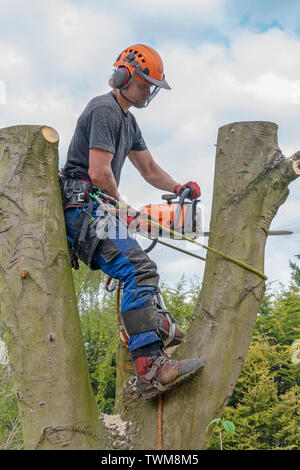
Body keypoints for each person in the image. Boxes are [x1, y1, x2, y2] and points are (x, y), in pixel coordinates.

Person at [60, 44, 204, 399]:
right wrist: (122, 209)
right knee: (139, 270)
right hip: (85, 208)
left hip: (97, 207)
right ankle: (149, 365)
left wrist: (178, 186)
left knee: (141, 268)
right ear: (124, 76)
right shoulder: (105, 109)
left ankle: (155, 327)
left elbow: (149, 169)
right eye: (144, 83)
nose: (148, 91)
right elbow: (98, 171)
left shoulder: (127, 119)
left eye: (152, 85)